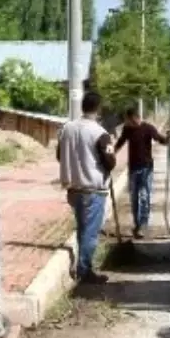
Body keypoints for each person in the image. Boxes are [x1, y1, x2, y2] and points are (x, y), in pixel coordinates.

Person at [57, 91, 117, 285]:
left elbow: (59, 155)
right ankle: (85, 271)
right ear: (98, 109)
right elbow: (110, 161)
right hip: (92, 189)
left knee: (83, 227)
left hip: (72, 188)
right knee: (90, 232)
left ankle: (82, 265)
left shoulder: (66, 129)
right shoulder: (100, 133)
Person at [114, 107, 170, 240]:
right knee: (134, 197)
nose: (126, 122)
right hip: (133, 168)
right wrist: (112, 154)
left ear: (133, 117)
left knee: (144, 196)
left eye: (127, 119)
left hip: (146, 167)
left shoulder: (148, 128)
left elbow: (158, 139)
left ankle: (143, 225)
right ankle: (137, 224)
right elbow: (121, 141)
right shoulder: (127, 129)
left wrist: (167, 139)